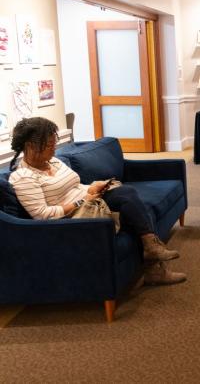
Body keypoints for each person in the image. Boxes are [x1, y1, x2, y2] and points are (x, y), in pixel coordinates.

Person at [8, 117, 186, 285]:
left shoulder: (53, 162)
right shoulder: (23, 177)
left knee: (128, 197)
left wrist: (91, 188)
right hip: (72, 217)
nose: (54, 148)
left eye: (54, 142)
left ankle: (151, 248)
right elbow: (43, 215)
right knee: (133, 210)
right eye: (49, 145)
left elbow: (75, 186)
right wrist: (81, 201)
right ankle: (153, 259)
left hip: (89, 201)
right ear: (30, 146)